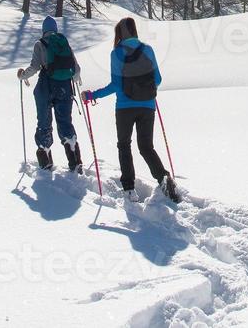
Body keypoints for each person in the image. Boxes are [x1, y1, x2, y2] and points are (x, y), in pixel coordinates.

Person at [82, 17, 181, 203]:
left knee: (124, 145)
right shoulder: (148, 50)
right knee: (146, 146)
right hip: (147, 105)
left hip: (125, 107)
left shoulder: (117, 53)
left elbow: (116, 85)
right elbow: (158, 79)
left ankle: (129, 189)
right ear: (134, 30)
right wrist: (144, 88)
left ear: (119, 33)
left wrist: (93, 95)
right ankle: (164, 178)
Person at [17, 15, 83, 173]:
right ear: (56, 29)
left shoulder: (40, 44)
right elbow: (76, 69)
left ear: (43, 30)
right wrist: (74, 79)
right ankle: (74, 160)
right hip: (65, 88)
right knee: (65, 122)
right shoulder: (63, 43)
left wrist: (22, 76)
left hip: (45, 87)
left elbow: (34, 67)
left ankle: (45, 160)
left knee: (44, 123)